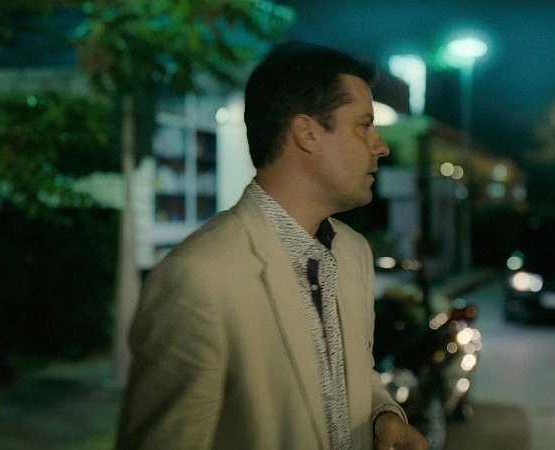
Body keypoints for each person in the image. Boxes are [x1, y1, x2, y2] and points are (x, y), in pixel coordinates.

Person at [115, 41, 428, 450]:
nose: (380, 145)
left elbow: (352, 372)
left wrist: (383, 415)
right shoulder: (197, 277)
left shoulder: (353, 252)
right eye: (364, 125)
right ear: (307, 133)